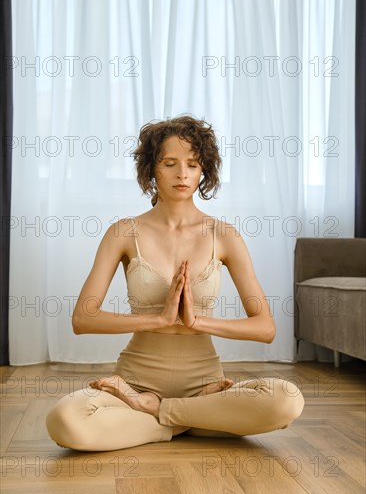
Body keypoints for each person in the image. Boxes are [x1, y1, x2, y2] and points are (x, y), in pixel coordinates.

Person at [46, 115, 304, 451]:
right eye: (170, 163)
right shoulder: (124, 232)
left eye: (193, 164)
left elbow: (265, 328)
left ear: (203, 171)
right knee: (65, 421)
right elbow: (83, 319)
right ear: (152, 169)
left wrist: (198, 321)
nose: (182, 173)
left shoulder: (224, 235)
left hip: (205, 386)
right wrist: (159, 319)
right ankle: (192, 422)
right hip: (135, 385)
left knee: (286, 400)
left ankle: (162, 415)